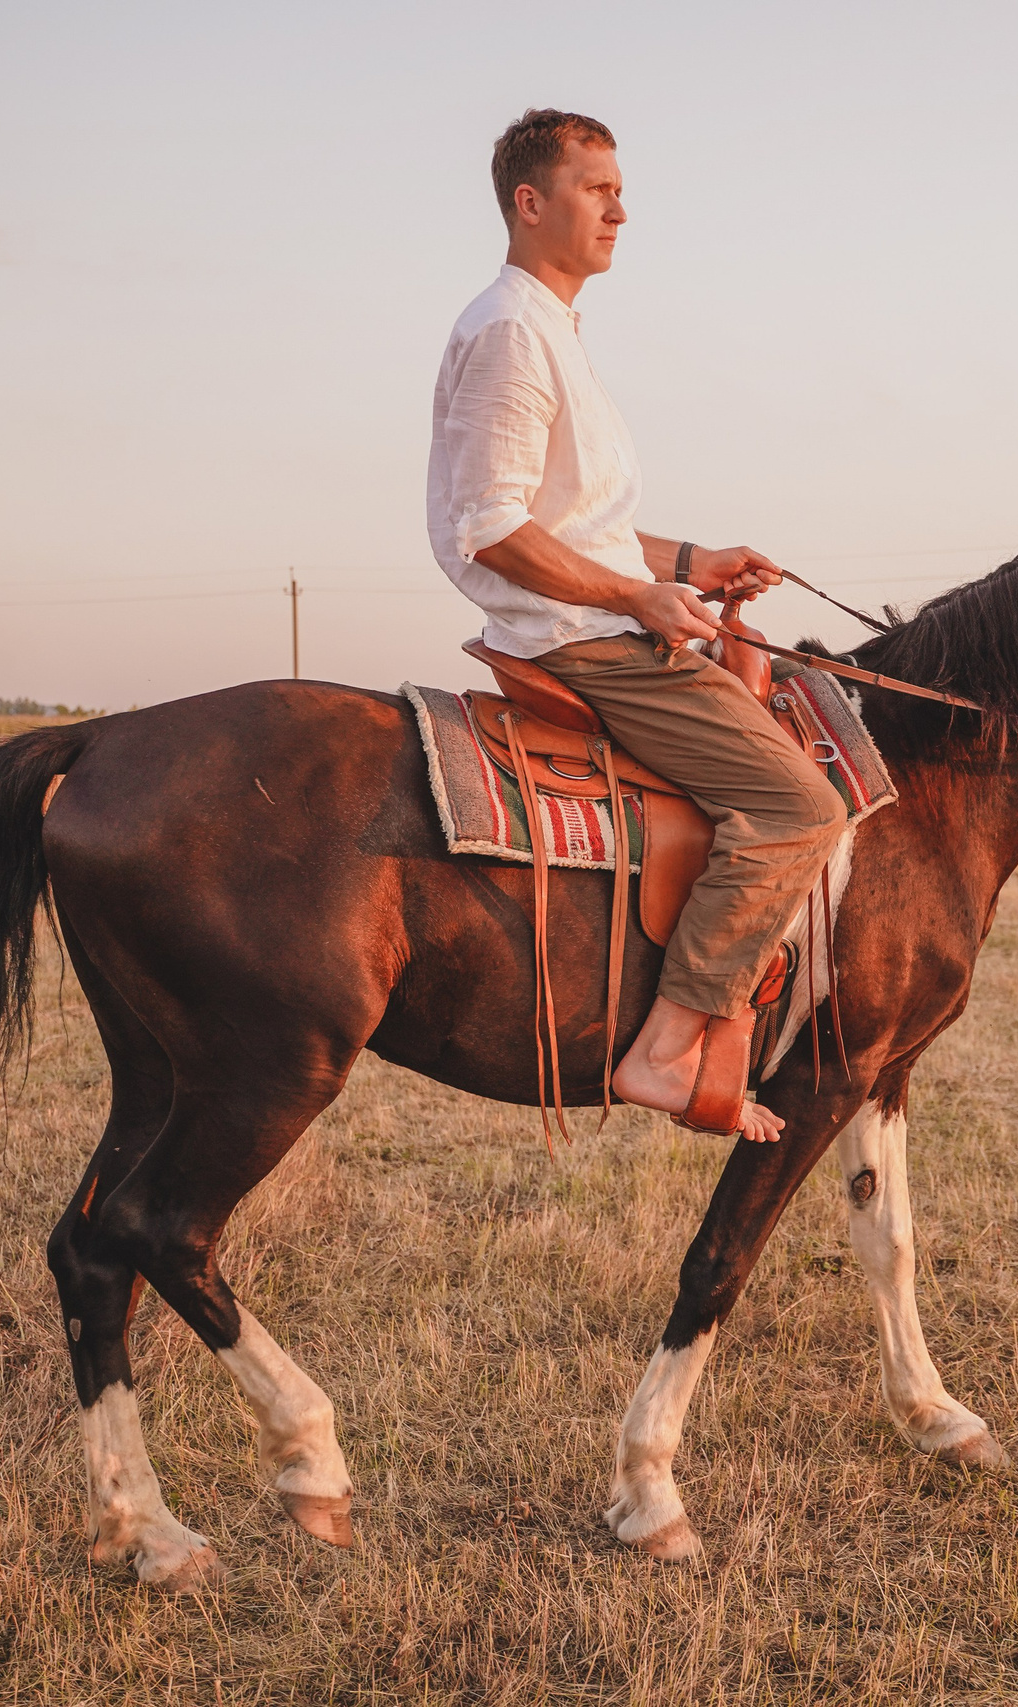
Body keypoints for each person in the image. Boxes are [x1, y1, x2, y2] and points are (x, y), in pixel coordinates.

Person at [427, 108, 846, 1144]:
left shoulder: (552, 330)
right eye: (596, 187)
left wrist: (692, 565)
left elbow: (577, 521)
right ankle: (663, 1049)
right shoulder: (513, 333)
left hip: (596, 617)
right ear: (531, 204)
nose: (621, 206)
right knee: (798, 805)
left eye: (620, 188)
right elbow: (491, 528)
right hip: (582, 642)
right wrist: (634, 601)